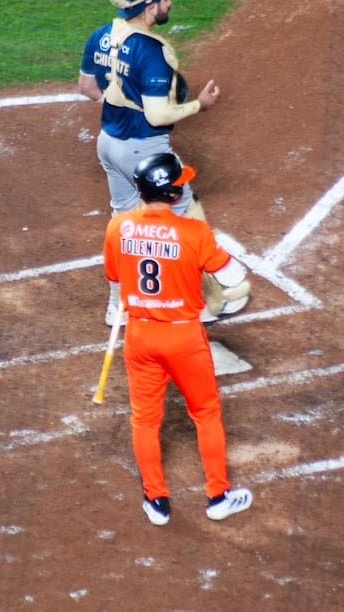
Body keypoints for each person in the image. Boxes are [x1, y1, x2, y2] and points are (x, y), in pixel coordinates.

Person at [79, 0, 248, 327]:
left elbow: (87, 87)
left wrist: (120, 99)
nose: (169, 3)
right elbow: (157, 115)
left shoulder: (101, 36)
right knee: (189, 219)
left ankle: (117, 307)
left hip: (109, 145)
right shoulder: (152, 51)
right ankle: (222, 296)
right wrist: (199, 105)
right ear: (149, 4)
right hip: (145, 150)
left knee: (124, 225)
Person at [103, 153, 253, 526]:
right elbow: (234, 278)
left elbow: (115, 274)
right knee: (205, 414)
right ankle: (218, 496)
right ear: (172, 192)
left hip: (139, 336)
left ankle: (156, 502)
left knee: (144, 420)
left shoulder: (117, 227)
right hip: (184, 337)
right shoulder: (194, 232)